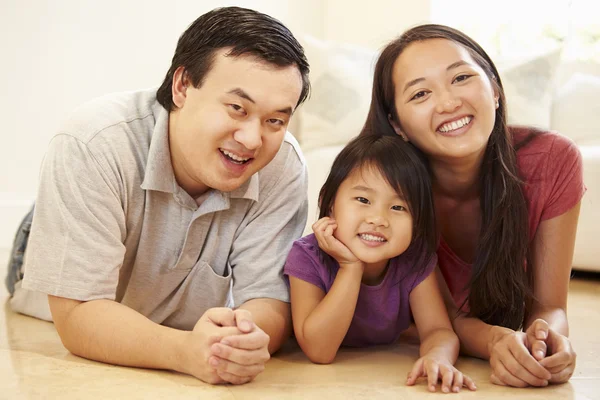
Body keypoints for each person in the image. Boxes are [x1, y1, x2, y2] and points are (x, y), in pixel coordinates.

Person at [5, 6, 310, 385]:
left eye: (275, 121)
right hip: (77, 223)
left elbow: (268, 300)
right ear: (182, 86)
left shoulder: (283, 162)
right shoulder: (93, 141)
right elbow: (76, 315)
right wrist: (186, 352)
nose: (252, 139)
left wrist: (241, 339)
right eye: (236, 108)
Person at [362, 24, 584, 388]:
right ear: (396, 124)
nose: (449, 103)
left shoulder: (552, 160)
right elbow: (442, 320)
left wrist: (548, 341)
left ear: (494, 88)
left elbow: (550, 306)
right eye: (420, 94)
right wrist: (497, 341)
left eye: (461, 77)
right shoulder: (389, 188)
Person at [284, 134, 477, 393]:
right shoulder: (306, 256)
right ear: (328, 204)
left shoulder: (413, 261)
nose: (378, 219)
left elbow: (437, 330)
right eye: (363, 200)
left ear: (417, 222)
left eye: (398, 207)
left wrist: (438, 356)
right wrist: (350, 267)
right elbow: (319, 350)